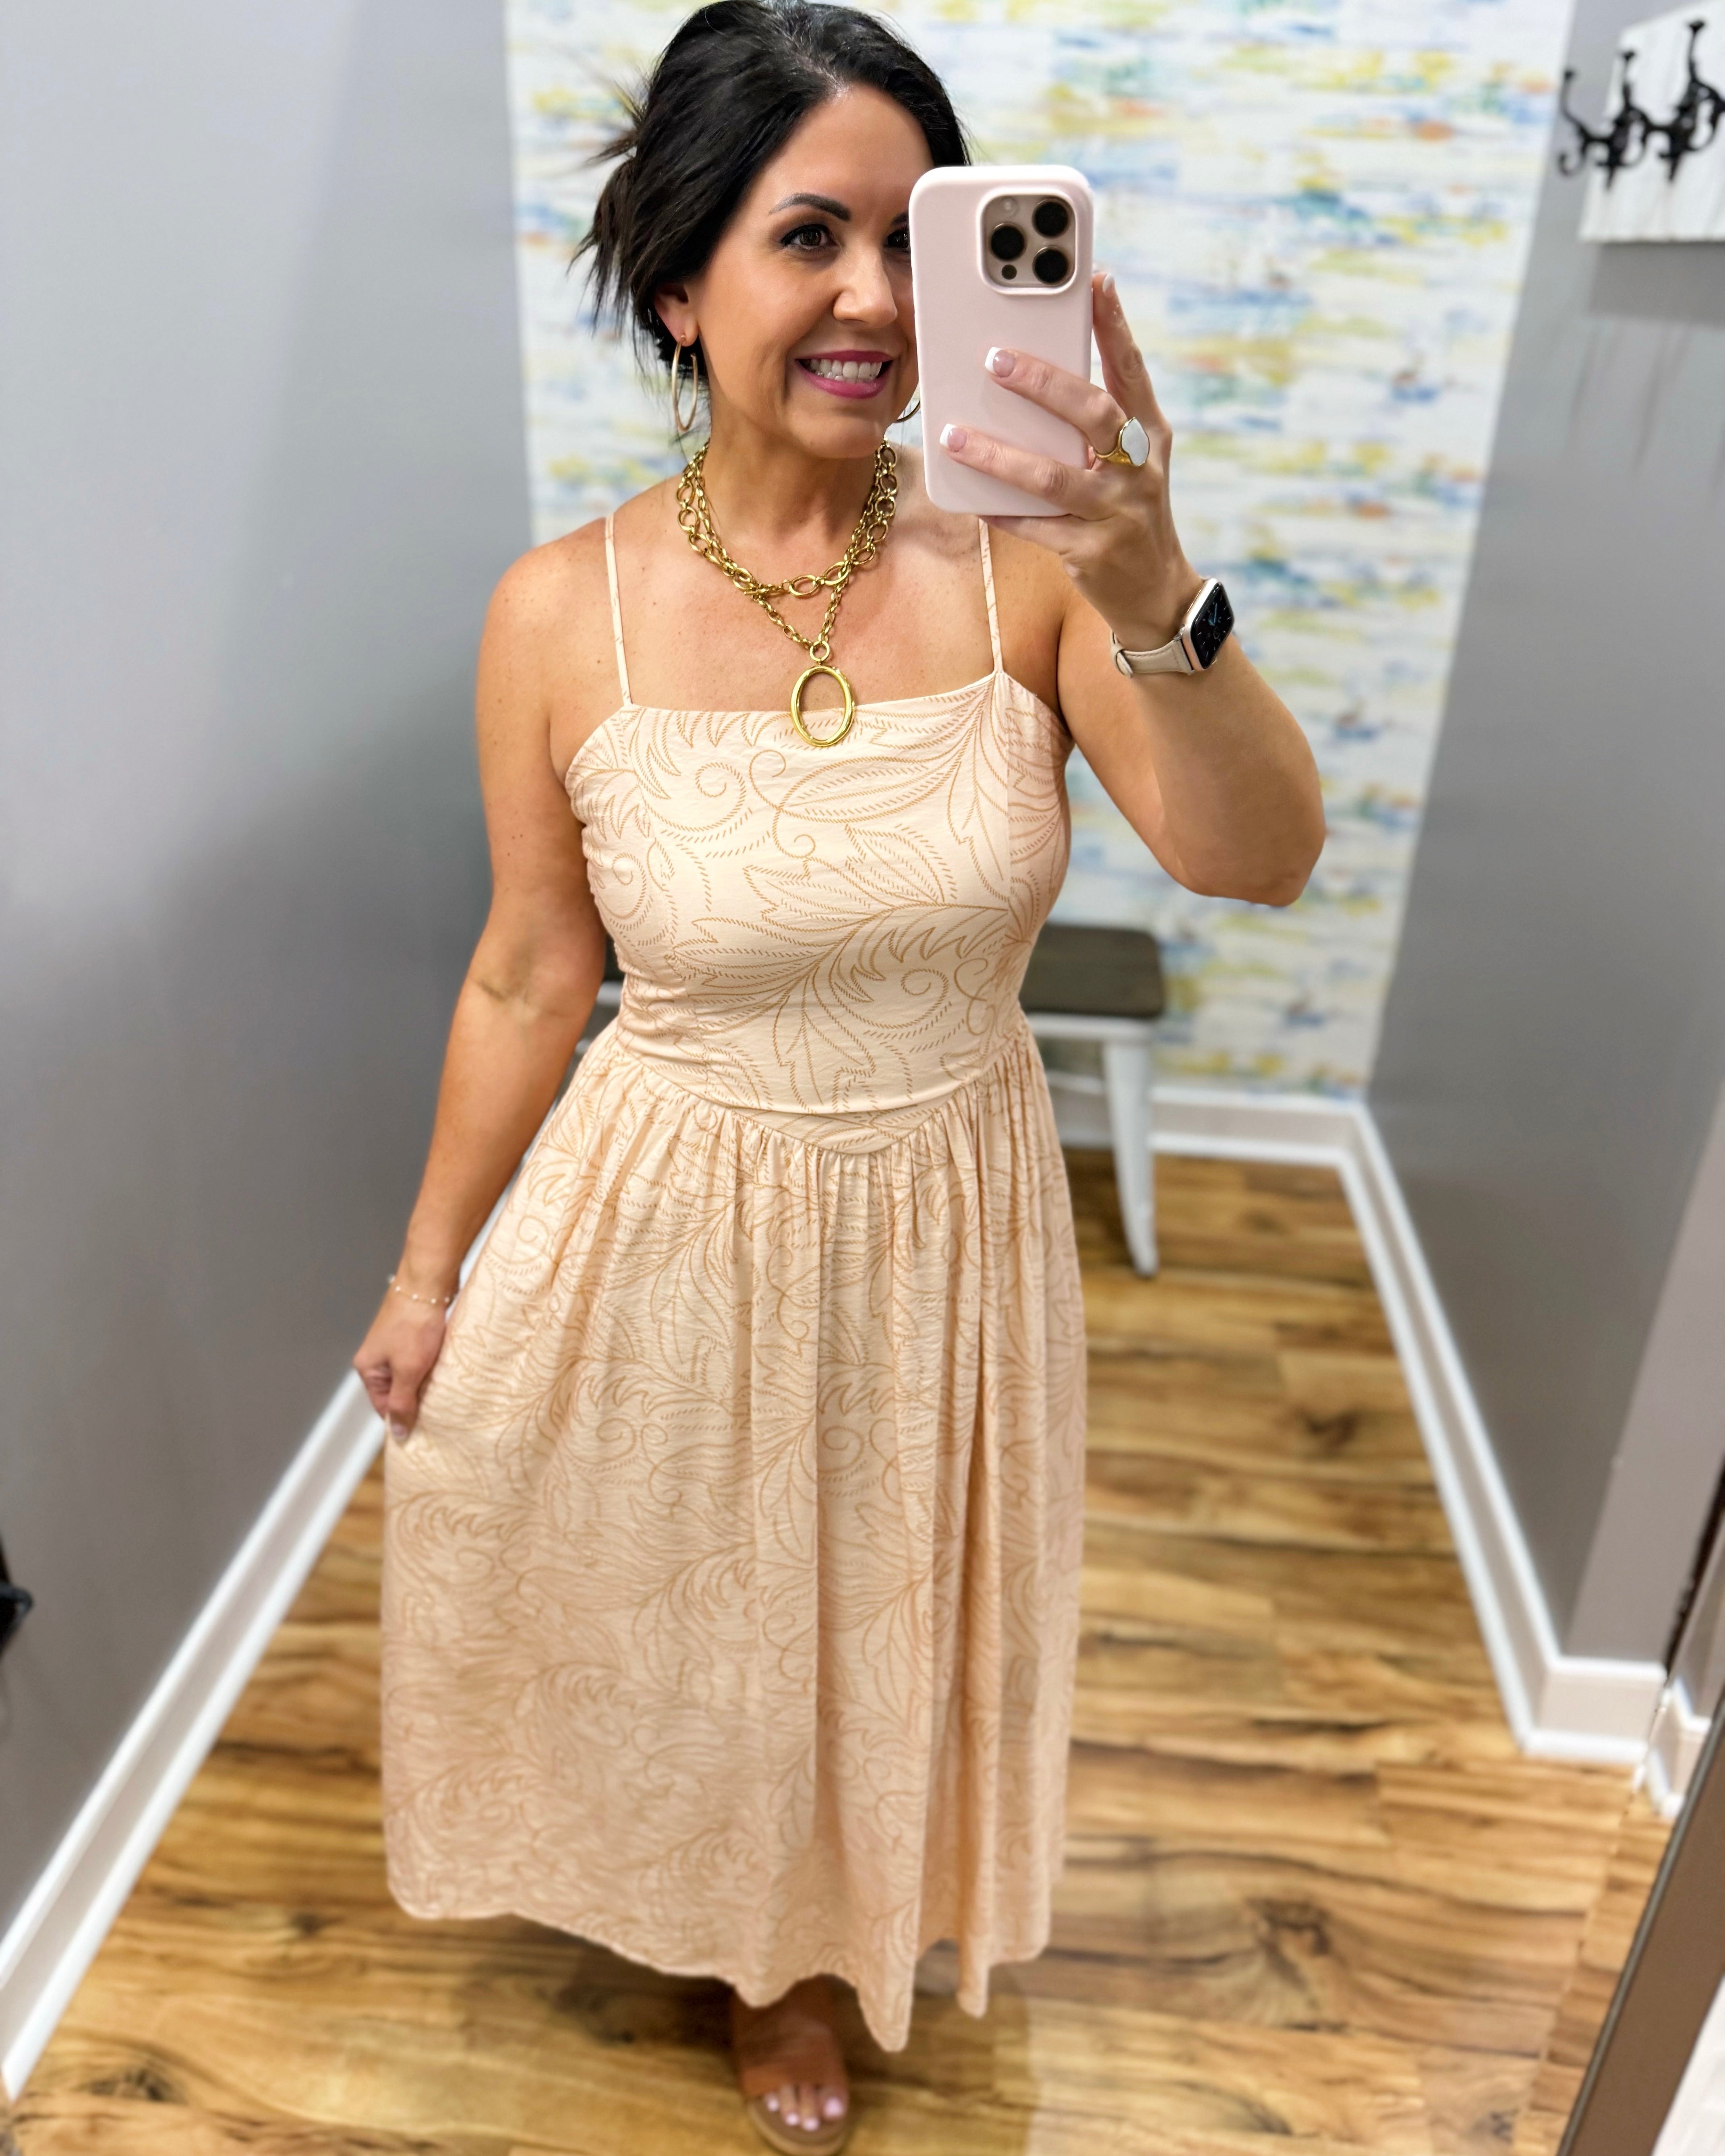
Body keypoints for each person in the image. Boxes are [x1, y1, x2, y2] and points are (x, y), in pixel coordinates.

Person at [354, 3, 1324, 2148]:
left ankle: (829, 1922)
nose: (879, 299)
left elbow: (1257, 860)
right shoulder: (556, 615)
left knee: (877, 1619)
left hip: (943, 1207)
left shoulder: (1031, 578)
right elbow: (531, 973)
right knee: (692, 1615)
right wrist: (430, 1273)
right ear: (683, 280)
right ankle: (753, 1946)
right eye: (814, 237)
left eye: (918, 238)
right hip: (671, 1194)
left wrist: (1155, 575)